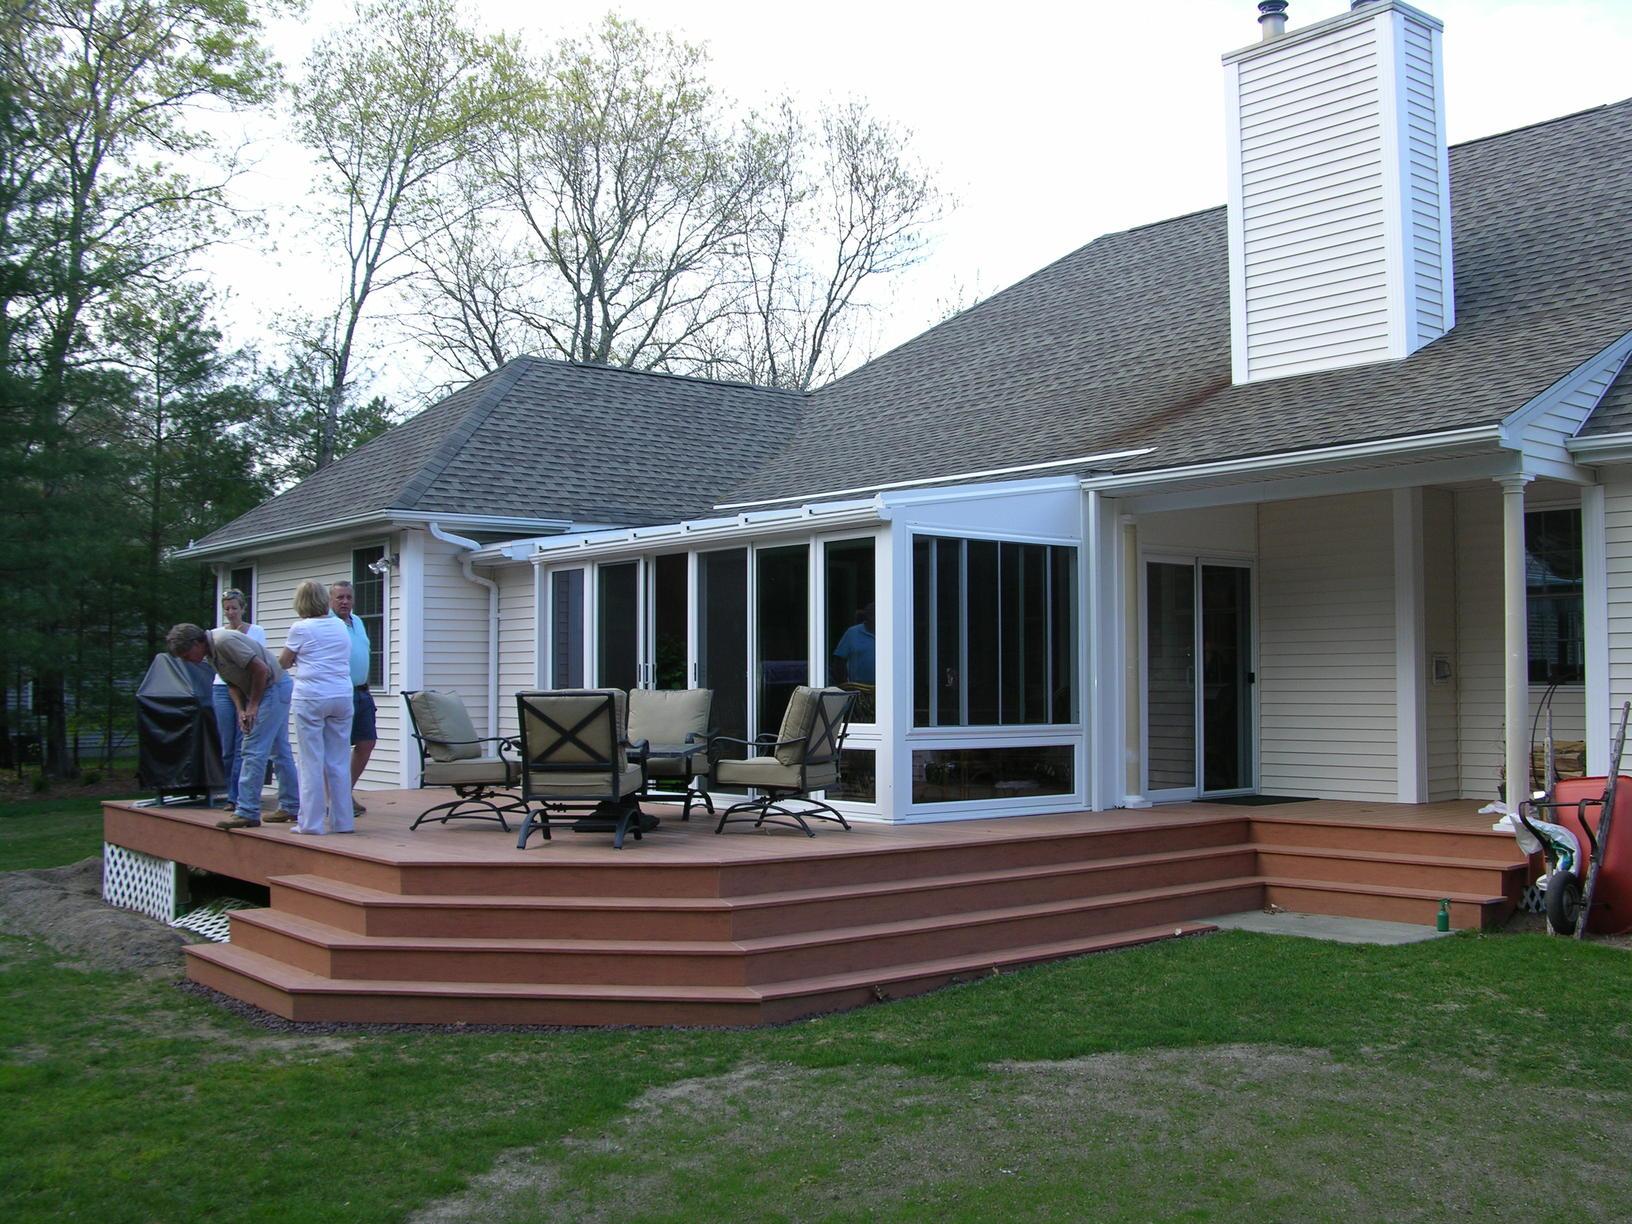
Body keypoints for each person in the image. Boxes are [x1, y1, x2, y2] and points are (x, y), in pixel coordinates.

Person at [166, 622, 299, 831]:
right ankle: (291, 805)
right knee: (279, 750)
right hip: (265, 690)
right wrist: (241, 710)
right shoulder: (211, 655)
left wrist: (253, 705)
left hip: (273, 687)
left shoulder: (224, 641)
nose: (187, 660)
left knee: (252, 749)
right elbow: (232, 683)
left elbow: (261, 670)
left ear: (195, 643)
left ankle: (247, 811)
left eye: (185, 654)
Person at [280, 580, 355, 835]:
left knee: (310, 761)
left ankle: (310, 824)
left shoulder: (300, 628)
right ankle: (343, 821)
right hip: (342, 696)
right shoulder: (340, 624)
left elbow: (283, 663)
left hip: (311, 697)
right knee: (338, 760)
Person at [210, 588, 268, 811]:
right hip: (222, 688)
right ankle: (229, 792)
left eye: (235, 608)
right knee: (227, 746)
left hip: (246, 689)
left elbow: (259, 661)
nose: (231, 613)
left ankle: (238, 796)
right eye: (227, 609)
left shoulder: (256, 631)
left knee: (242, 743)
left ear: (243, 609)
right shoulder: (216, 634)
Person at [328, 580, 376, 816]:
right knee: (336, 748)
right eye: (340, 598)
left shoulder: (357, 621)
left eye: (348, 597)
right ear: (330, 600)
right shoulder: (327, 623)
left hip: (362, 692)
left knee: (366, 743)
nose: (345, 602)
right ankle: (334, 798)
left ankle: (344, 792)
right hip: (340, 693)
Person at [830, 602, 877, 722]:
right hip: (858, 689)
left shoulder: (889, 632)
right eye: (871, 615)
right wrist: (844, 685)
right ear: (866, 617)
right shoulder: (852, 633)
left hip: (883, 689)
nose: (874, 618)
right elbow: (839, 660)